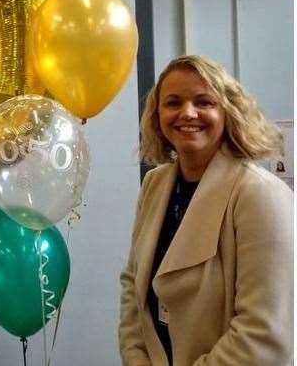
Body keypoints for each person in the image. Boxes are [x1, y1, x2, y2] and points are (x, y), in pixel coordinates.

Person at [119, 55, 293, 365]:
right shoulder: (154, 185)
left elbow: (265, 335)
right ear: (157, 114)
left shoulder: (260, 195)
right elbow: (134, 289)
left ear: (228, 112)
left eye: (204, 102)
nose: (188, 113)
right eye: (173, 102)